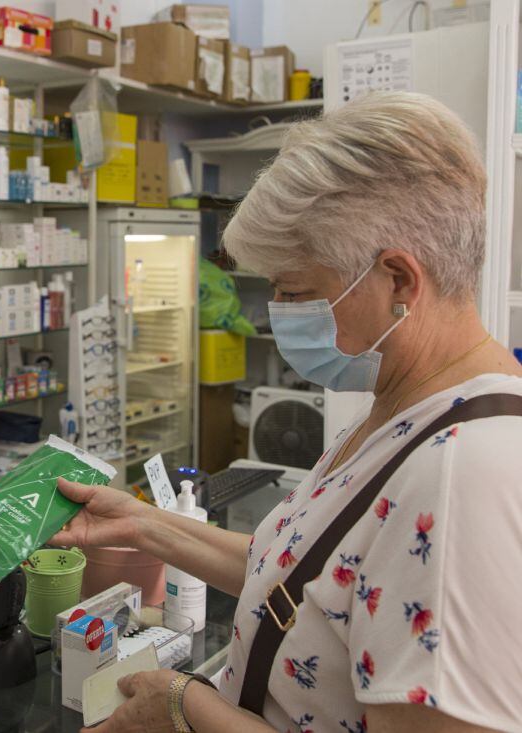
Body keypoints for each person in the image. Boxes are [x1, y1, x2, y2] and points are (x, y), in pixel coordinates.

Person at [51, 92, 522, 732]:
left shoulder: (463, 477)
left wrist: (187, 706)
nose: (280, 317)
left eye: (296, 292)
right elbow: (297, 574)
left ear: (399, 281)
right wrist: (140, 524)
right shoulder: (403, 406)